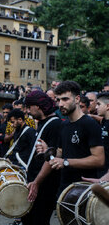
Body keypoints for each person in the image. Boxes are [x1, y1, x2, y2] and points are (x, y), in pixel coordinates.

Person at [38, 81, 104, 195]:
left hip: (84, 189)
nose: (60, 104)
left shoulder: (90, 124)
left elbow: (99, 160)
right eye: (58, 100)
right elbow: (61, 152)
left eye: (65, 99)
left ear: (77, 99)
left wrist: (66, 162)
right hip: (65, 188)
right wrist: (48, 151)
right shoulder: (64, 125)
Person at [21, 91, 62, 225]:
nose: (27, 111)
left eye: (29, 107)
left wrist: (37, 183)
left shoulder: (55, 124)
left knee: (39, 220)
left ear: (37, 106)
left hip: (45, 185)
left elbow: (51, 160)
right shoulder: (42, 122)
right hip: (35, 181)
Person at [94, 92, 109, 176]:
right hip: (101, 169)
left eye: (99, 104)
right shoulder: (103, 121)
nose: (96, 107)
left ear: (107, 106)